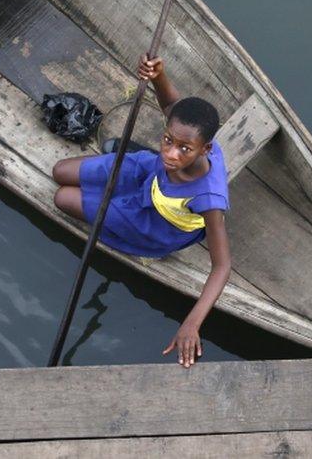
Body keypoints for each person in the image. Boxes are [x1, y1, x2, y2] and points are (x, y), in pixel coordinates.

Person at [51, 54, 231, 369]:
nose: (171, 153)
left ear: (206, 150)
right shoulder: (171, 149)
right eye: (167, 140)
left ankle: (122, 211)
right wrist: (158, 75)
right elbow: (171, 104)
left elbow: (222, 266)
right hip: (148, 173)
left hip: (152, 220)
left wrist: (192, 323)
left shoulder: (209, 198)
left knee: (62, 199)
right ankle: (131, 163)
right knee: (60, 171)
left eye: (184, 149)